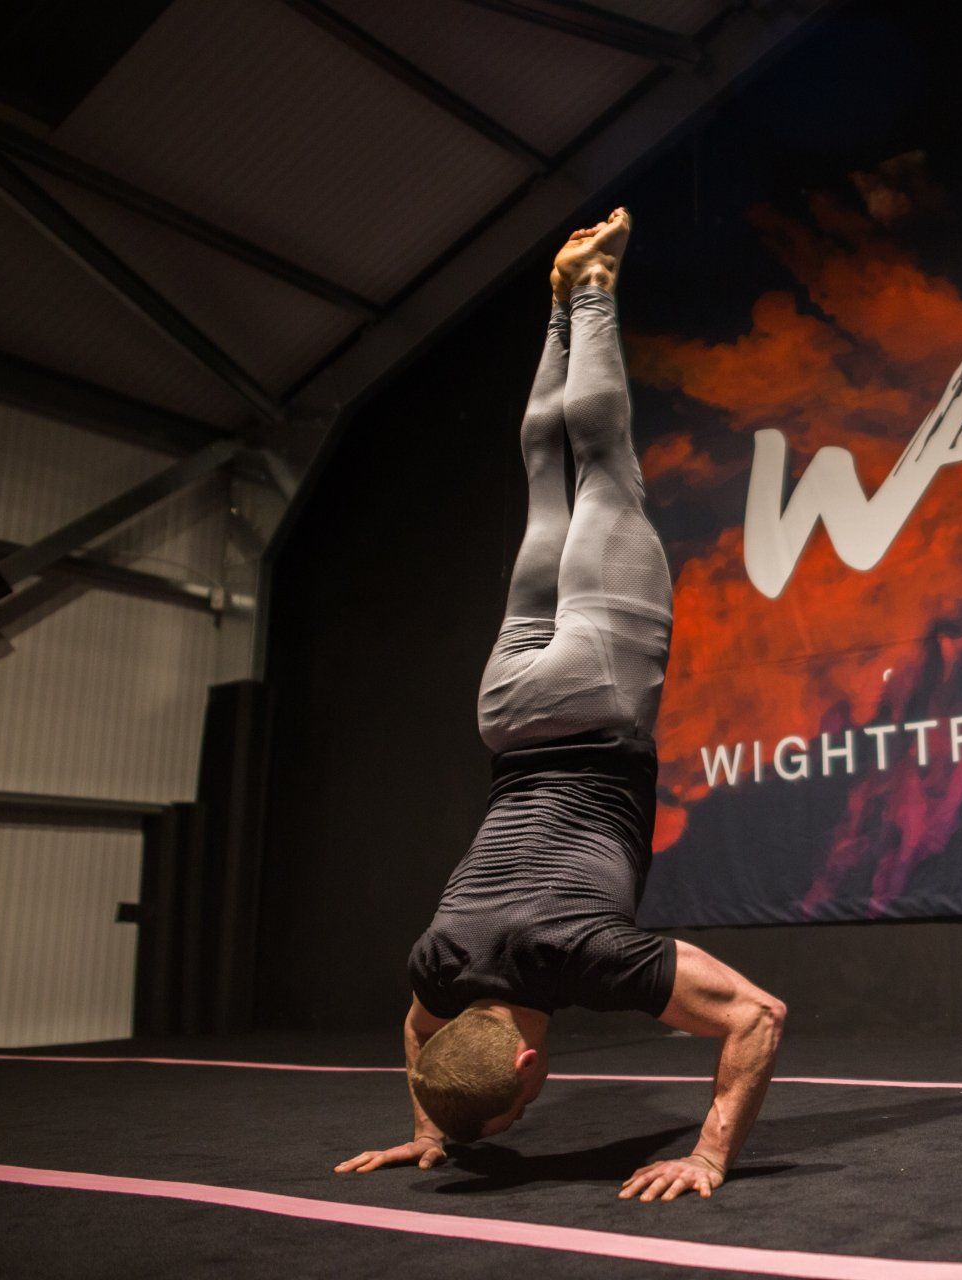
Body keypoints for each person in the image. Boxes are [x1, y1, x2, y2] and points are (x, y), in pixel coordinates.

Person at [334, 209, 785, 1203]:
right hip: (507, 715)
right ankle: (555, 304)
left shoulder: (590, 959)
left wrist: (707, 1152)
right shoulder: (439, 965)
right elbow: (417, 1033)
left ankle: (592, 290)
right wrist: (429, 1124)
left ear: (532, 1069)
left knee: (604, 466)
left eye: (519, 1109)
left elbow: (758, 1014)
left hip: (596, 696)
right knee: (547, 481)